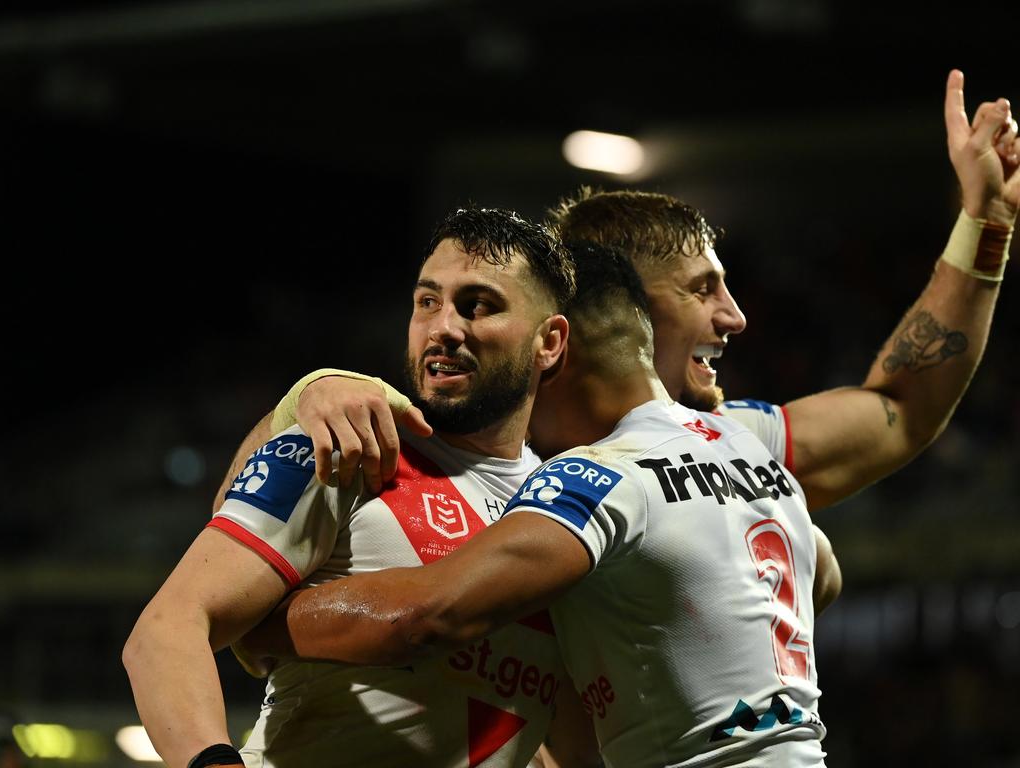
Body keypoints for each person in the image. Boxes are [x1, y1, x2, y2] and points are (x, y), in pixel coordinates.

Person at [276, 70, 1016, 516]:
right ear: (626, 306)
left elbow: (900, 409)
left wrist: (986, 224)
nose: (736, 317)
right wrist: (309, 393)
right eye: (704, 290)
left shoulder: (732, 447)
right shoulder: (470, 441)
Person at [236, 241, 828, 766]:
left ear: (553, 355)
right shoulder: (745, 445)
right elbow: (823, 575)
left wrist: (257, 620)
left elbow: (429, 615)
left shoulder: (597, 474)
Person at [123, 207, 580, 768]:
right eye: (427, 302)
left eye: (478, 306)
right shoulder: (347, 446)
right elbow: (166, 630)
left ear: (550, 342)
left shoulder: (567, 506)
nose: (443, 328)